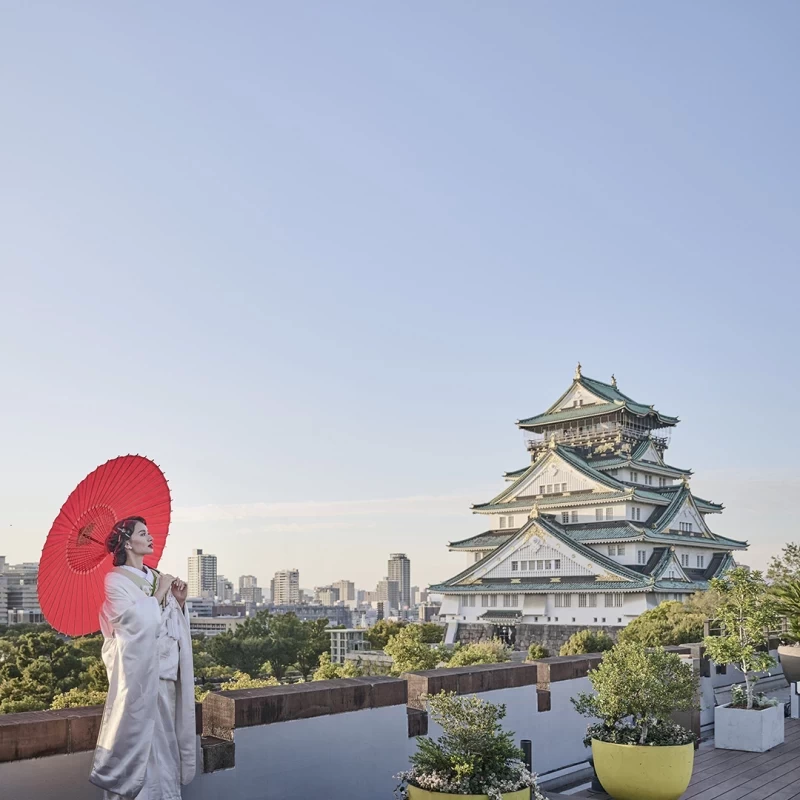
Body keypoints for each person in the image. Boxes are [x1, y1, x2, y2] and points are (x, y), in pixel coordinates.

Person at [90, 516, 196, 800]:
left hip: (165, 673)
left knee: (166, 745)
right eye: (143, 533)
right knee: (142, 746)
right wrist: (161, 593)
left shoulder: (154, 575)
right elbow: (132, 624)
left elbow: (168, 622)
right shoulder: (115, 580)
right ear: (127, 542)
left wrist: (179, 601)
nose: (150, 538)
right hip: (140, 678)